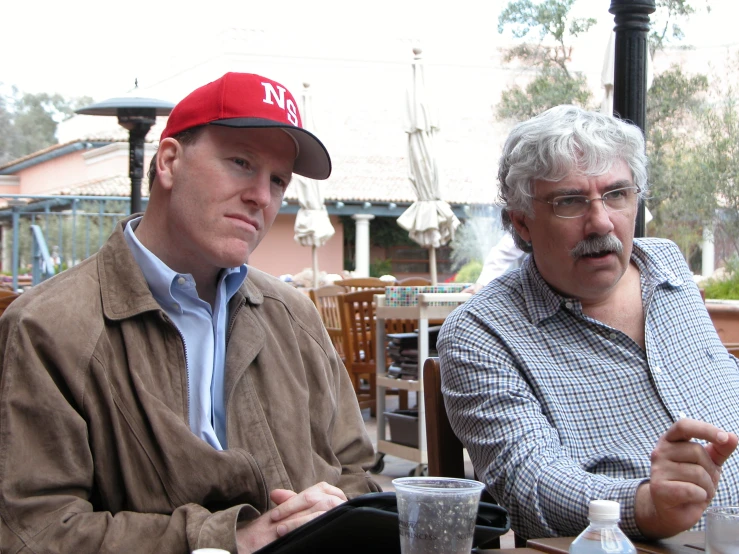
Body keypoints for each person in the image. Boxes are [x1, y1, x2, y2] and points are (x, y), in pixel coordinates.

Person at [0, 72, 380, 553]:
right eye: (242, 162)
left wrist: (336, 512)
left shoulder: (295, 317)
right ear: (169, 162)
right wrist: (226, 542)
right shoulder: (47, 328)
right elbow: (32, 531)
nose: (262, 197)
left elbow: (357, 473)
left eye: (278, 180)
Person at [438, 105, 739, 541]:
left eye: (617, 194)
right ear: (522, 222)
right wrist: (647, 506)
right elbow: (529, 485)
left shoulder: (667, 265)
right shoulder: (483, 333)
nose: (601, 222)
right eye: (570, 202)